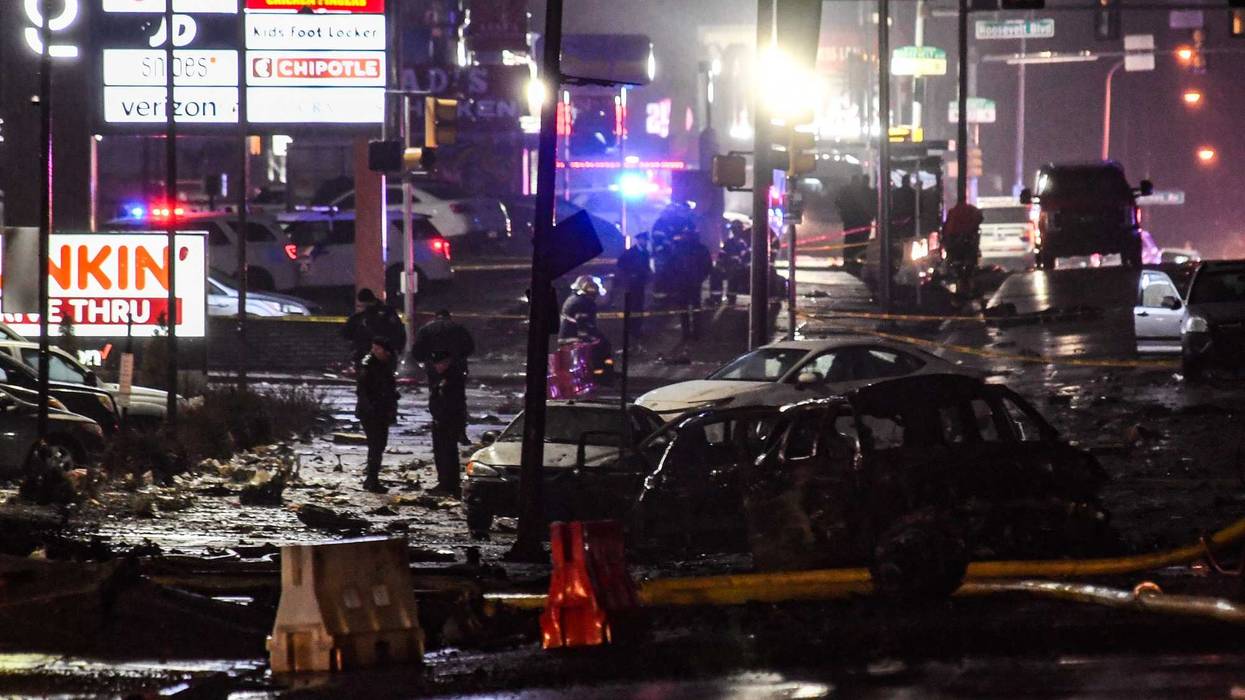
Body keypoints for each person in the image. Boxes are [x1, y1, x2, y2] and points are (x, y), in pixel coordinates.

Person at [413, 309, 476, 495]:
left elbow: (417, 352)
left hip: (437, 377)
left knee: (443, 439)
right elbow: (469, 348)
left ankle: (446, 483)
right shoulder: (459, 329)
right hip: (457, 370)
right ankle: (460, 430)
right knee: (453, 402)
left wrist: (430, 362)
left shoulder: (427, 330)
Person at [356, 336, 398, 494]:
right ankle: (372, 479)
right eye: (374, 349)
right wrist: (371, 408)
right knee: (376, 445)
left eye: (377, 349)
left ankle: (372, 478)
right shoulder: (370, 366)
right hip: (372, 412)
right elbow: (364, 390)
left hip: (380, 410)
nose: (374, 352)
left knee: (378, 445)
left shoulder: (384, 364)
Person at [342, 288, 406, 370]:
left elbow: (347, 333)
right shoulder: (387, 312)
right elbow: (399, 331)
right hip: (381, 353)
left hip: (372, 353)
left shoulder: (363, 317)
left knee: (367, 371)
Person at [670, 227, 713, 341]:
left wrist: (677, 279)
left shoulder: (679, 248)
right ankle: (695, 333)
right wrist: (700, 278)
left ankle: (687, 333)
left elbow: (672, 266)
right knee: (694, 308)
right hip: (692, 282)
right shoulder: (701, 248)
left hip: (685, 282)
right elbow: (708, 266)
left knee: (685, 309)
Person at [616, 233, 652, 337]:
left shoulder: (645, 253)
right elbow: (620, 263)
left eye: (646, 240)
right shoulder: (630, 252)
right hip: (632, 283)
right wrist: (629, 274)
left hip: (641, 283)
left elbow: (646, 266)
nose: (645, 242)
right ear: (639, 240)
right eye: (643, 240)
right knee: (632, 305)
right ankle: (631, 329)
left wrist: (647, 276)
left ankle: (638, 328)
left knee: (639, 306)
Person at [710, 221, 751, 306]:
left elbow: (747, 259)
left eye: (737, 229)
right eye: (734, 229)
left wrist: (740, 265)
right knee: (715, 272)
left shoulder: (745, 244)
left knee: (735, 274)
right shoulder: (728, 243)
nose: (735, 231)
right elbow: (722, 256)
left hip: (740, 270)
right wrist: (720, 266)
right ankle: (716, 297)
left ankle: (731, 297)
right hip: (728, 268)